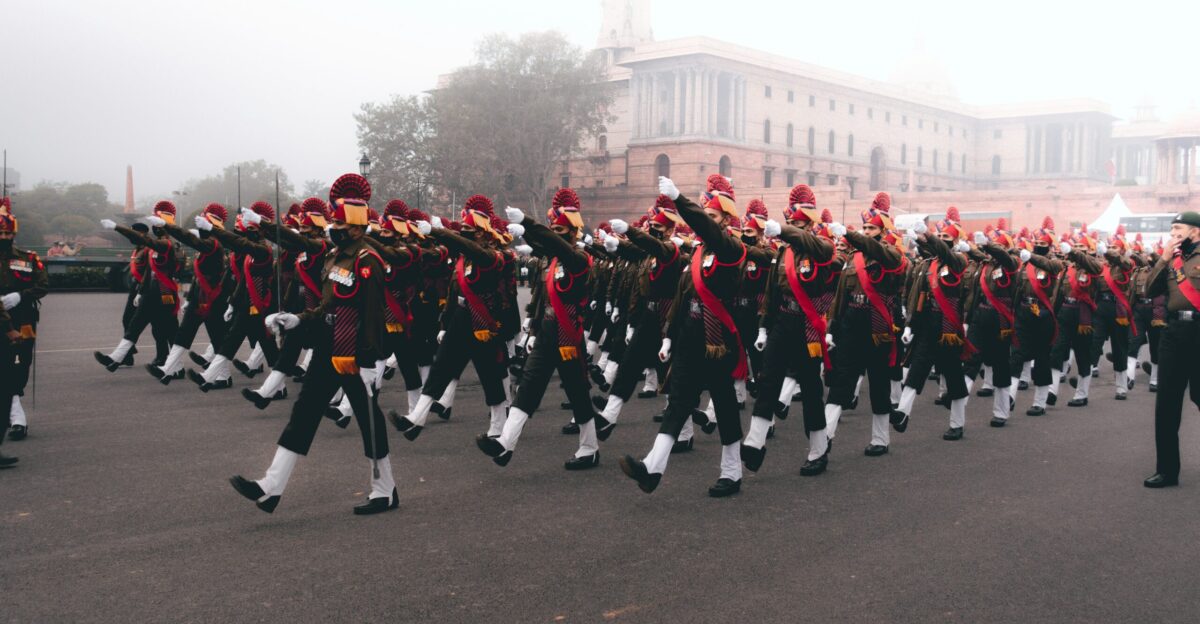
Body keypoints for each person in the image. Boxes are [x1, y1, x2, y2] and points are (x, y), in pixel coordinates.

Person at [229, 173, 396, 514]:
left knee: (369, 422)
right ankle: (271, 486)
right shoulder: (335, 256)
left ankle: (385, 489)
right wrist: (298, 320)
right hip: (328, 347)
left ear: (356, 226)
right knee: (303, 413)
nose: (333, 226)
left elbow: (374, 316)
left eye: (339, 222)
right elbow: (326, 307)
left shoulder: (368, 262)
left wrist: (370, 362)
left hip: (354, 354)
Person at [619, 174, 750, 498]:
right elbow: (683, 296)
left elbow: (704, 227)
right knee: (678, 403)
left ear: (726, 218)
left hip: (717, 342)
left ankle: (732, 473)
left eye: (713, 214)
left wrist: (679, 199)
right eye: (705, 212)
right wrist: (668, 336)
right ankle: (652, 468)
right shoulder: (698, 252)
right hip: (691, 340)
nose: (707, 218)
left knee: (724, 406)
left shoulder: (731, 249)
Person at [477, 190, 601, 468]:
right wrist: (532, 328)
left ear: (571, 232)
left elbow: (555, 246)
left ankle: (590, 447)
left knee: (578, 393)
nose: (554, 234)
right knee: (528, 386)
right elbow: (544, 290)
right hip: (547, 330)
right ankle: (505, 444)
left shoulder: (578, 259)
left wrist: (529, 224)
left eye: (559, 229)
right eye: (552, 229)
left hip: (567, 333)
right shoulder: (553, 260)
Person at [389, 195, 511, 441]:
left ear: (481, 234)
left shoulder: (490, 256)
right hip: (461, 317)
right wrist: (446, 323)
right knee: (441, 367)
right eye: (462, 229)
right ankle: (416, 419)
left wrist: (438, 231)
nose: (464, 233)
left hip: (482, 323)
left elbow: (470, 249)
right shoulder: (463, 259)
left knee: (490, 376)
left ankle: (499, 428)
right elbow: (454, 291)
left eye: (469, 230)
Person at [744, 185, 840, 475]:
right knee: (768, 379)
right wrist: (763, 328)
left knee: (811, 390)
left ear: (809, 224)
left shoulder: (823, 248)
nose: (794, 228)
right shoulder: (783, 253)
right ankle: (755, 441)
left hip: (807, 326)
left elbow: (817, 248)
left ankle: (818, 450)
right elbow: (772, 294)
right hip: (783, 321)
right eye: (792, 223)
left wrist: (786, 231)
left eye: (799, 224)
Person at [823, 193, 907, 457]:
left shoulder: (890, 254)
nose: (867, 231)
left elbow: (881, 253)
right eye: (865, 227)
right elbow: (840, 296)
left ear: (883, 230)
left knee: (879, 385)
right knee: (840, 383)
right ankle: (824, 437)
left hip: (878, 326)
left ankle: (880, 439)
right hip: (851, 325)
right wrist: (832, 328)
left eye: (872, 227)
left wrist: (851, 235)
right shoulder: (853, 257)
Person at [187, 201, 279, 392]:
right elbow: (244, 281)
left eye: (251, 230)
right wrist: (232, 303)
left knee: (270, 350)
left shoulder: (263, 251)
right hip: (247, 305)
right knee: (230, 341)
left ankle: (278, 387)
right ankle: (208, 376)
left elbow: (238, 243)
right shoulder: (251, 252)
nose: (246, 234)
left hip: (261, 306)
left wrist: (213, 228)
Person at [1143, 211, 1200, 488]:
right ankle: (1167, 470)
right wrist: (1164, 258)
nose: (1174, 232)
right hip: (1174, 333)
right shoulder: (1171, 259)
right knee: (1166, 405)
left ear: (1196, 232)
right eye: (1172, 228)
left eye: (1179, 228)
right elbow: (1148, 290)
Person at [146, 202, 231, 384]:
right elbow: (197, 278)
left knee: (217, 338)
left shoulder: (212, 245)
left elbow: (189, 239)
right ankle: (168, 369)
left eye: (202, 224)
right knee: (183, 333)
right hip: (199, 297)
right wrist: (189, 298)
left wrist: (166, 225)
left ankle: (224, 376)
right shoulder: (206, 246)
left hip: (212, 299)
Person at [95, 201, 182, 372]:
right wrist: (141, 292)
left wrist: (117, 227)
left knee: (169, 330)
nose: (154, 228)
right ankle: (116, 358)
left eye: (157, 225)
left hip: (165, 293)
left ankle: (176, 366)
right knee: (135, 324)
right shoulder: (154, 248)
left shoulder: (167, 244)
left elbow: (142, 239)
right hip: (151, 292)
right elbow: (149, 273)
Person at [0, 198, 48, 443]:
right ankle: (14, 416)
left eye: (8, 232)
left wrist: (20, 295)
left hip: (24, 318)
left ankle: (15, 411)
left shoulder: (28, 258)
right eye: (1, 232)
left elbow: (43, 285)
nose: (5, 236)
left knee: (21, 364)